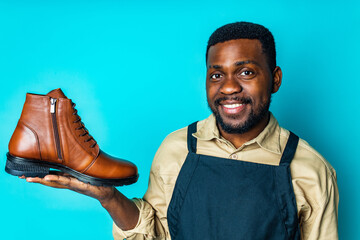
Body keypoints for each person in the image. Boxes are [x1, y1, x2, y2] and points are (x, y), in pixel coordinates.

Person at [25, 22, 339, 240]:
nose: (229, 87)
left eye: (246, 72)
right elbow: (152, 233)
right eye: (217, 74)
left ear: (275, 79)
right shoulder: (178, 147)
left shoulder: (311, 169)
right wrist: (107, 197)